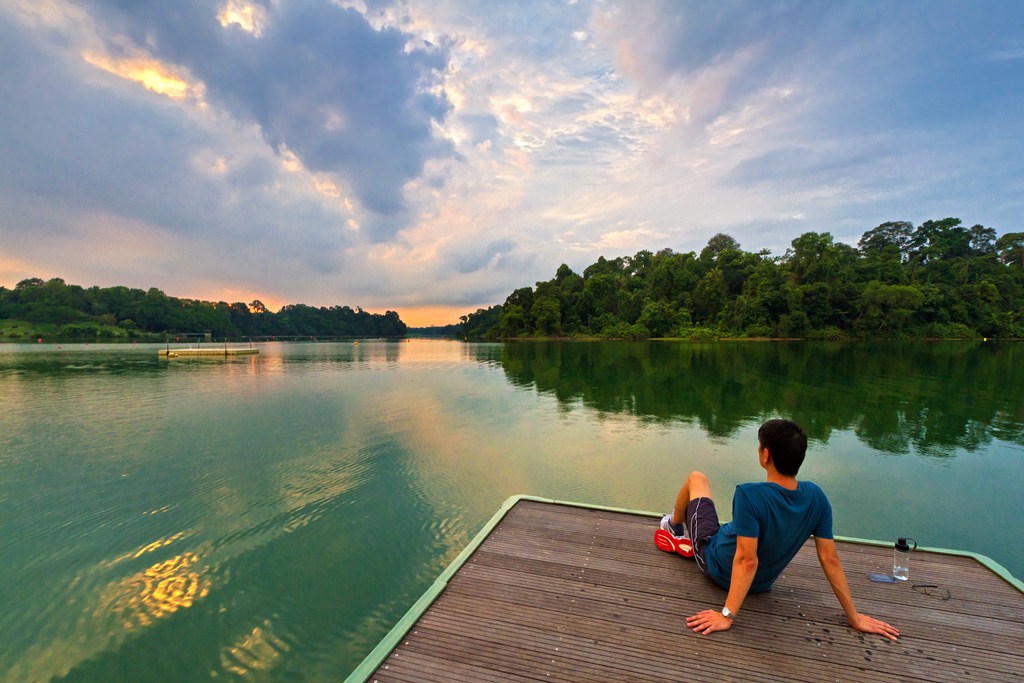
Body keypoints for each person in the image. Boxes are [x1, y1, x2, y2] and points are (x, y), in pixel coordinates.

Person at [658, 418, 900, 640]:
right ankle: (685, 527)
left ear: (765, 455)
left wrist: (726, 615)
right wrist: (854, 617)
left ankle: (674, 525)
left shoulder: (749, 494)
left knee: (696, 478)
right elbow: (830, 559)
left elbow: (747, 561)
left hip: (716, 564)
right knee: (733, 527)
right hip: (761, 584)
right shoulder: (817, 497)